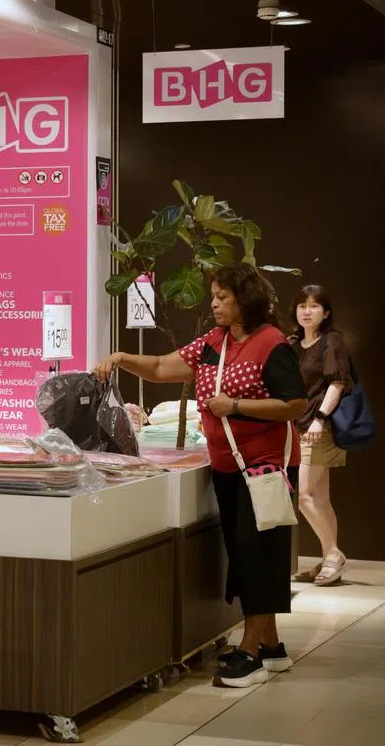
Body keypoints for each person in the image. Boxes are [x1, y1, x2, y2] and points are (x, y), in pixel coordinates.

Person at [95, 263, 307, 689]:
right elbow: (159, 367)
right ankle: (271, 647)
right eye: (213, 296)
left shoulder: (272, 344)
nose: (214, 304)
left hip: (265, 467)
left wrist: (238, 406)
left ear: (244, 299)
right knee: (245, 554)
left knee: (258, 555)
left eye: (222, 297)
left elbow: (295, 405)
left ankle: (248, 652)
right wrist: (120, 358)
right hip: (229, 468)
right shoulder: (215, 342)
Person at [289, 285, 351, 586]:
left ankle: (334, 553)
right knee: (320, 498)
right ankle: (329, 558)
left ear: (325, 313)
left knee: (302, 497)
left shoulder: (331, 341)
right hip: (297, 426)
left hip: (318, 429)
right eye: (302, 305)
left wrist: (319, 420)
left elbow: (336, 385)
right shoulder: (292, 344)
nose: (307, 311)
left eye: (314, 306)